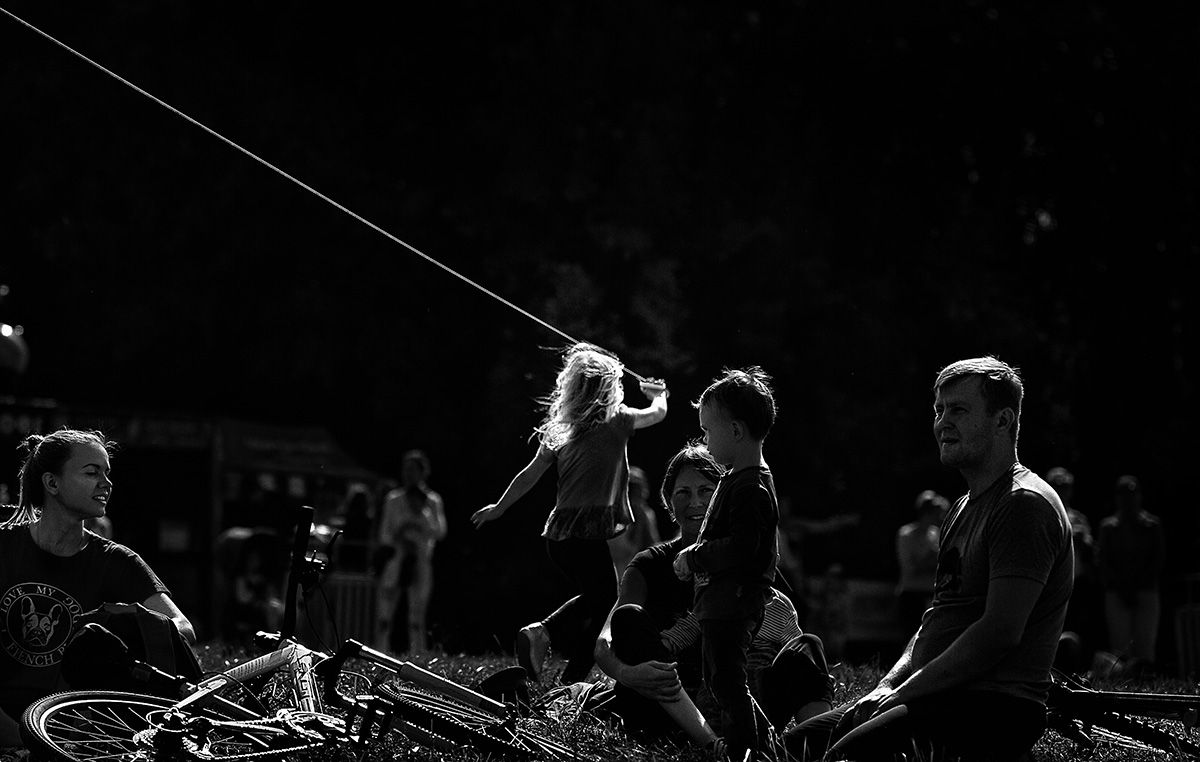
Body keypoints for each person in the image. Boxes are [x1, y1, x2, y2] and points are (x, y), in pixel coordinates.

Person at [783, 356, 1073, 762]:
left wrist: (902, 693)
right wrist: (885, 688)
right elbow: (936, 619)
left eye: (958, 410)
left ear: (1003, 420)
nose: (942, 423)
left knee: (842, 757)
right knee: (792, 748)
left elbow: (999, 633)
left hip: (992, 707)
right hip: (933, 695)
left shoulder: (1023, 505)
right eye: (939, 410)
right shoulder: (961, 508)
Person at [594, 443, 832, 748]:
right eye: (683, 493)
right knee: (628, 617)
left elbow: (780, 636)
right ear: (668, 501)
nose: (694, 502)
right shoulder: (649, 565)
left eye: (706, 491)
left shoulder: (747, 561)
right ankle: (710, 744)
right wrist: (627, 674)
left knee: (806, 647)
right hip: (669, 702)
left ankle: (813, 745)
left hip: (738, 699)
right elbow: (605, 643)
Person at [472, 343, 668, 684]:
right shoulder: (618, 420)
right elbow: (658, 414)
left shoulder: (562, 429)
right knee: (606, 600)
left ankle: (562, 664)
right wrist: (659, 393)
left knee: (599, 601)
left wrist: (498, 508)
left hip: (560, 537)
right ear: (610, 388)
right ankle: (550, 645)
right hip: (585, 534)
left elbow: (528, 475)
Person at [0, 429, 195, 747]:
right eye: (92, 473)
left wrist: (117, 621)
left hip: (77, 731)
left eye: (107, 473)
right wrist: (19, 741)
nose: (107, 483)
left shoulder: (117, 561)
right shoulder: (5, 546)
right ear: (52, 483)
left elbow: (182, 628)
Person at [672, 367, 780, 761]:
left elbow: (743, 547)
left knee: (728, 682)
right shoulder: (739, 477)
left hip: (733, 602)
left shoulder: (750, 486)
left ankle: (747, 751)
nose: (704, 440)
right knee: (724, 680)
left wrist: (694, 556)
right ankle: (768, 744)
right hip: (722, 601)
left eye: (707, 431)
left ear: (735, 431)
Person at [375, 450, 447, 654]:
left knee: (417, 614)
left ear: (423, 472)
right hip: (397, 559)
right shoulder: (393, 499)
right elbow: (384, 534)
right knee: (385, 612)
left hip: (421, 560)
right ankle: (381, 652)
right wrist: (401, 535)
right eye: (406, 470)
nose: (408, 474)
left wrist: (422, 519)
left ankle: (418, 654)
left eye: (413, 470)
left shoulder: (432, 500)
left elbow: (440, 531)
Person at [1096, 474, 1165, 671]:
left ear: (1140, 496)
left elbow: (1158, 560)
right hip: (1117, 592)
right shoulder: (1108, 527)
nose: (1129, 499)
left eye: (1132, 494)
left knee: (1145, 646)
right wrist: (1121, 587)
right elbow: (1103, 561)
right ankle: (1122, 684)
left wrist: (1136, 586)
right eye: (1124, 494)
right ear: (1117, 497)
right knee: (1120, 649)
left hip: (1146, 591)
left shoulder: (1152, 525)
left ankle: (1146, 684)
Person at [1045, 466, 1104, 675]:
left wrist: (1083, 541)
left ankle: (1081, 672)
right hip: (1053, 582)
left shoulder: (1079, 518)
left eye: (1066, 486)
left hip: (1078, 582)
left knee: (1082, 627)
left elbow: (1093, 551)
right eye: (1057, 486)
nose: (1062, 490)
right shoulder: (1044, 514)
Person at [894, 489, 949, 634]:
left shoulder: (936, 534)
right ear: (927, 513)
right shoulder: (906, 534)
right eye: (938, 513)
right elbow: (910, 568)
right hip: (911, 594)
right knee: (909, 637)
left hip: (932, 595)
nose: (941, 517)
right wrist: (931, 559)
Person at [607, 465, 662, 575]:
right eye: (633, 489)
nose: (639, 494)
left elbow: (653, 546)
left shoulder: (647, 514)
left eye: (640, 489)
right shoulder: (613, 517)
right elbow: (622, 551)